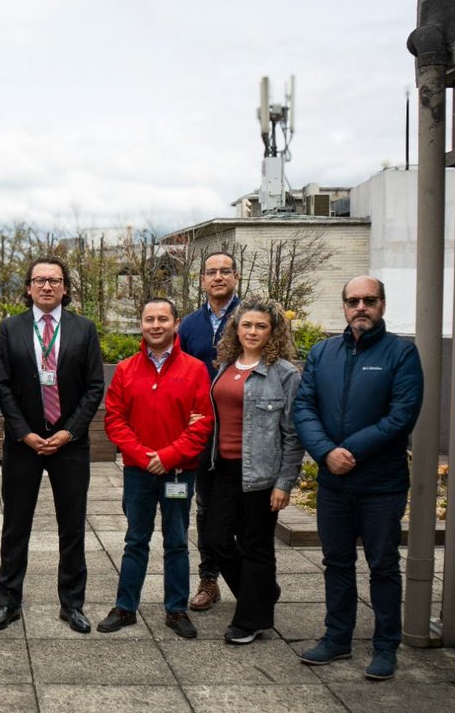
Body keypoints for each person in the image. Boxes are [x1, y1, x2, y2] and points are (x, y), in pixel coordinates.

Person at [294, 276, 423, 680]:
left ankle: (386, 646)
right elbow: (304, 408)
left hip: (381, 484)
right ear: (344, 307)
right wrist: (326, 452)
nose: (360, 307)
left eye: (369, 300)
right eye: (353, 301)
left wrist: (349, 450)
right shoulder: (323, 352)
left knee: (383, 565)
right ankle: (337, 639)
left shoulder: (401, 353)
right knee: (336, 562)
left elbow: (401, 416)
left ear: (382, 304)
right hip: (334, 484)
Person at [0, 256, 104, 634]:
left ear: (65, 287)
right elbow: (2, 385)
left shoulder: (84, 329)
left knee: (71, 527)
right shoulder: (11, 328)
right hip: (24, 444)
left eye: (54, 280)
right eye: (39, 280)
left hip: (69, 445)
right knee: (15, 526)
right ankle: (8, 603)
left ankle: (72, 604)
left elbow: (94, 388)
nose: (47, 286)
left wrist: (69, 432)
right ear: (28, 287)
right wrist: (23, 432)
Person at [101, 298, 213, 639]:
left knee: (176, 541)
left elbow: (202, 423)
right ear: (141, 324)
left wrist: (168, 457)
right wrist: (142, 455)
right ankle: (125, 607)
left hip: (178, 472)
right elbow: (114, 419)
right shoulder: (126, 369)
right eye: (149, 319)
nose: (155, 325)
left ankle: (176, 610)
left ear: (176, 323)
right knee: (136, 540)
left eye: (163, 319)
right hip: (138, 473)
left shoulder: (195, 369)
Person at [200, 297, 303, 644]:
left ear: (273, 331)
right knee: (216, 539)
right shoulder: (227, 365)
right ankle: (262, 592)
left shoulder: (284, 374)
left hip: (262, 473)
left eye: (261, 326)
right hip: (224, 468)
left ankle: (250, 621)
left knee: (256, 546)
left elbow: (293, 434)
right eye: (247, 325)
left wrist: (285, 483)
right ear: (236, 328)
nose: (253, 331)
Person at [178, 251, 241, 613]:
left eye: (224, 271)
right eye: (211, 272)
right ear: (202, 280)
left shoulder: (250, 318)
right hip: (202, 431)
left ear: (236, 277)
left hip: (241, 430)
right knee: (204, 507)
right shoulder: (189, 325)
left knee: (244, 511)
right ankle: (208, 579)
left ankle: (249, 581)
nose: (218, 277)